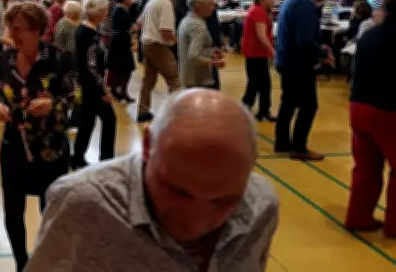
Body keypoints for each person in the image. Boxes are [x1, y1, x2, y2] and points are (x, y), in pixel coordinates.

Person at [25, 89, 279, 271]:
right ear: (147, 145)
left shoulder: (261, 206)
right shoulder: (82, 204)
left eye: (223, 201)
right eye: (178, 192)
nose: (196, 221)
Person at [0, 1, 78, 271]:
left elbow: (76, 96)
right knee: (13, 212)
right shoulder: (5, 58)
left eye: (18, 28)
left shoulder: (59, 57)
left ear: (37, 29)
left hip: (50, 150)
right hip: (13, 148)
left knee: (50, 213)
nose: (11, 33)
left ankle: (47, 261)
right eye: (10, 27)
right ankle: (21, 264)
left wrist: (53, 104)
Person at [345, 0, 396, 237]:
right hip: (387, 111)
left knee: (365, 168)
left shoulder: (369, 34)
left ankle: (358, 217)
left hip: (359, 107)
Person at [275, 0, 333, 161]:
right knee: (309, 106)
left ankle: (282, 142)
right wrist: (323, 53)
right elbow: (305, 40)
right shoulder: (304, 6)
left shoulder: (293, 0)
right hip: (298, 65)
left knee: (289, 103)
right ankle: (298, 146)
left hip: (286, 60)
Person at [72, 0, 116, 170]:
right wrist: (104, 91)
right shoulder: (90, 35)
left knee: (87, 121)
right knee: (109, 120)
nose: (106, 13)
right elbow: (91, 67)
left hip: (85, 85)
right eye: (105, 10)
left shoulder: (83, 29)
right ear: (98, 12)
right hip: (92, 87)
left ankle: (77, 157)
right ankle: (106, 159)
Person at [137, 0, 182, 122]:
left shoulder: (153, 0)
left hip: (147, 44)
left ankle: (143, 111)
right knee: (174, 79)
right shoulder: (166, 4)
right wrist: (179, 42)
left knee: (149, 80)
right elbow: (166, 32)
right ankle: (175, 113)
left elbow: (139, 23)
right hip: (158, 45)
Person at [241, 0, 277, 121]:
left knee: (260, 84)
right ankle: (248, 109)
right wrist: (273, 52)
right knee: (258, 83)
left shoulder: (259, 11)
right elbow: (261, 36)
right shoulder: (258, 12)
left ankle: (261, 111)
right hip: (255, 54)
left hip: (257, 53)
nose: (273, 0)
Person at [178, 0, 224, 88]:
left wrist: (210, 52)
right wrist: (215, 62)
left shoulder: (187, 19)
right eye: (210, 4)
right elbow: (194, 55)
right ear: (199, 6)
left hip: (189, 77)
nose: (213, 7)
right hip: (199, 80)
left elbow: (190, 47)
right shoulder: (198, 25)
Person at [107, 0, 136, 102]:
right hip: (120, 44)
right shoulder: (120, 10)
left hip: (119, 43)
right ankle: (119, 91)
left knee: (121, 69)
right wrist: (134, 29)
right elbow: (124, 29)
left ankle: (120, 91)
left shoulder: (121, 9)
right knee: (124, 69)